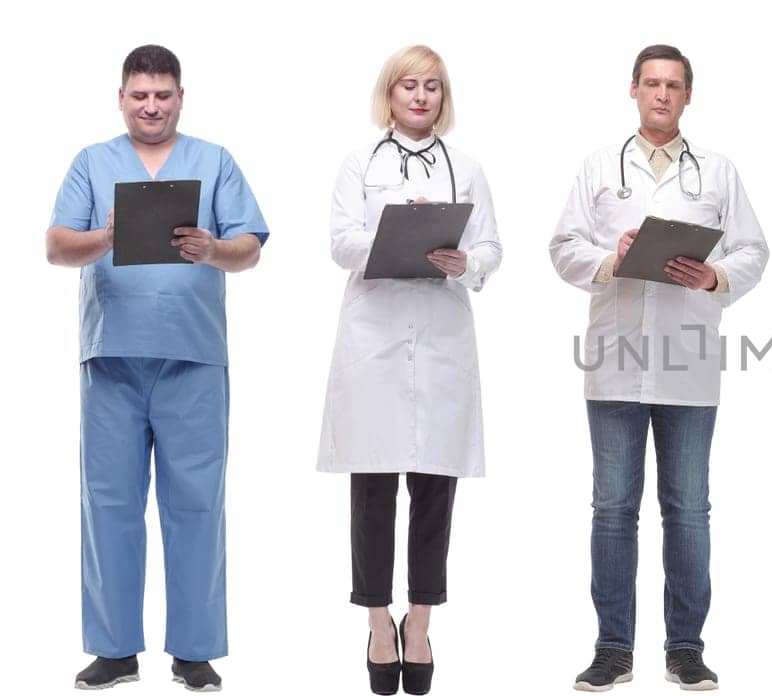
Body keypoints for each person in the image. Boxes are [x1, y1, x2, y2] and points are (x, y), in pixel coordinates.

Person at [45, 44, 268, 692]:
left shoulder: (215, 161)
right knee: (110, 504)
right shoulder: (92, 164)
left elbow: (248, 248)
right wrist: (107, 237)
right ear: (122, 98)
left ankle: (194, 650)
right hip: (112, 360)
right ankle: (115, 649)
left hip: (192, 359)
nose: (151, 106)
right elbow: (58, 245)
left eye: (163, 95)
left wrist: (213, 248)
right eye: (140, 95)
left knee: (197, 505)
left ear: (179, 98)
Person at [550, 43, 769, 692]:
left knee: (689, 509)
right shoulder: (598, 167)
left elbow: (756, 250)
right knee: (613, 507)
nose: (662, 95)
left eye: (674, 85)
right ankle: (613, 648)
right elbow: (562, 249)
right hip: (615, 362)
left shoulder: (718, 172)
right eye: (651, 83)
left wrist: (715, 274)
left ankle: (686, 649)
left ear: (689, 95)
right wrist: (610, 257)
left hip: (689, 363)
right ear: (633, 90)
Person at [316, 45, 502, 696]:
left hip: (442, 330)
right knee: (371, 487)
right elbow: (341, 240)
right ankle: (376, 620)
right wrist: (398, 240)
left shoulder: (467, 168)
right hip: (375, 335)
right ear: (388, 95)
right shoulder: (358, 164)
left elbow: (490, 247)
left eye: (432, 87)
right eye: (408, 86)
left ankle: (420, 620)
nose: (420, 97)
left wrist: (464, 263)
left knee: (433, 488)